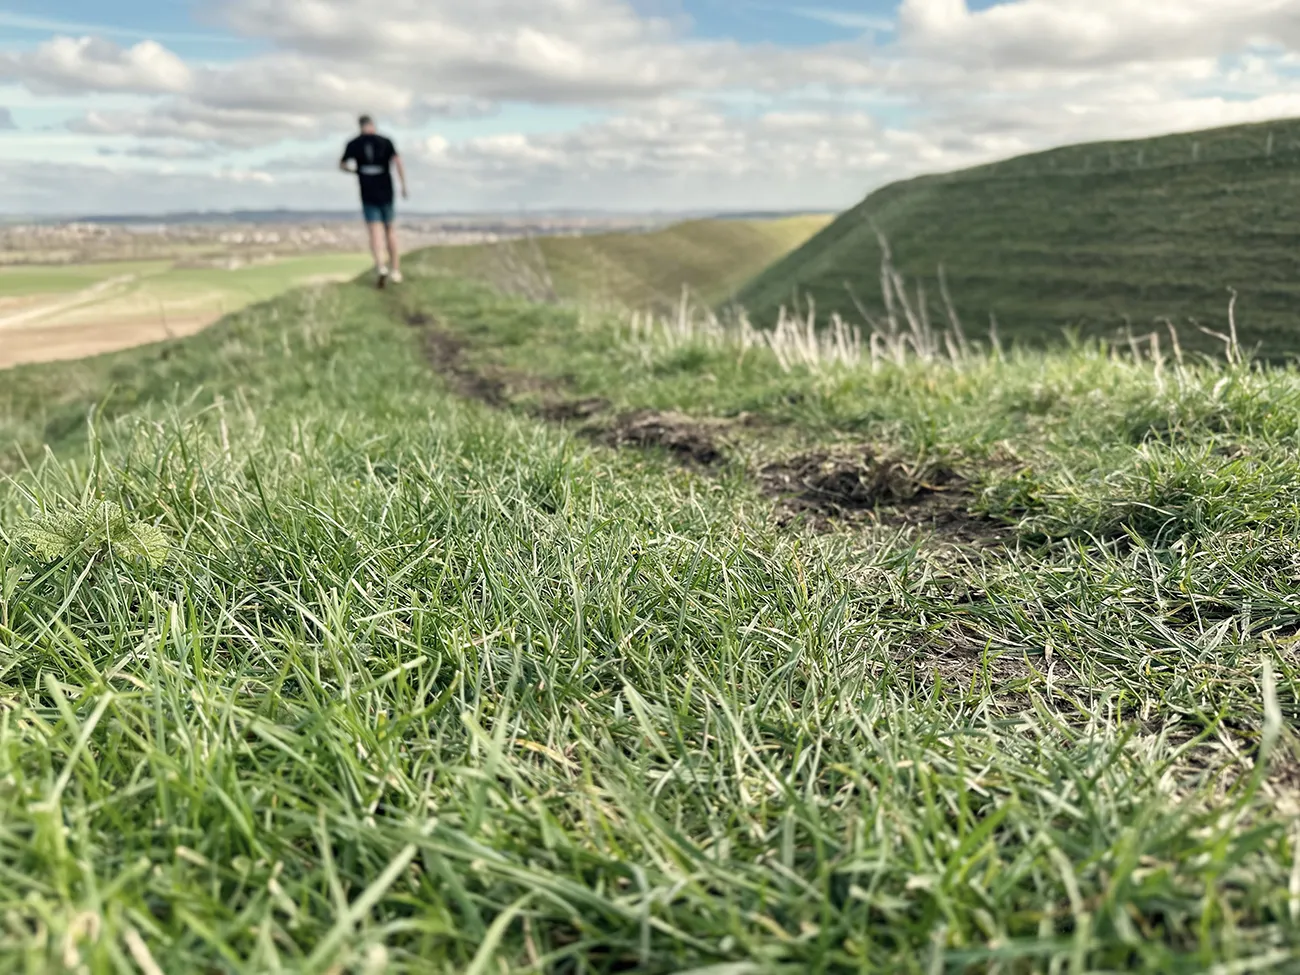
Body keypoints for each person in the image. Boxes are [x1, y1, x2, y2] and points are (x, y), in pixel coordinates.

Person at [340, 115, 408, 287]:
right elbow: (398, 162)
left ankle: (380, 266)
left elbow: (342, 165)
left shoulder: (354, 143)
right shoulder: (386, 141)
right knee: (390, 230)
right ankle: (396, 270)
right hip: (386, 189)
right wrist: (403, 185)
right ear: (373, 125)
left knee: (374, 231)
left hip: (367, 190)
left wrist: (356, 171)